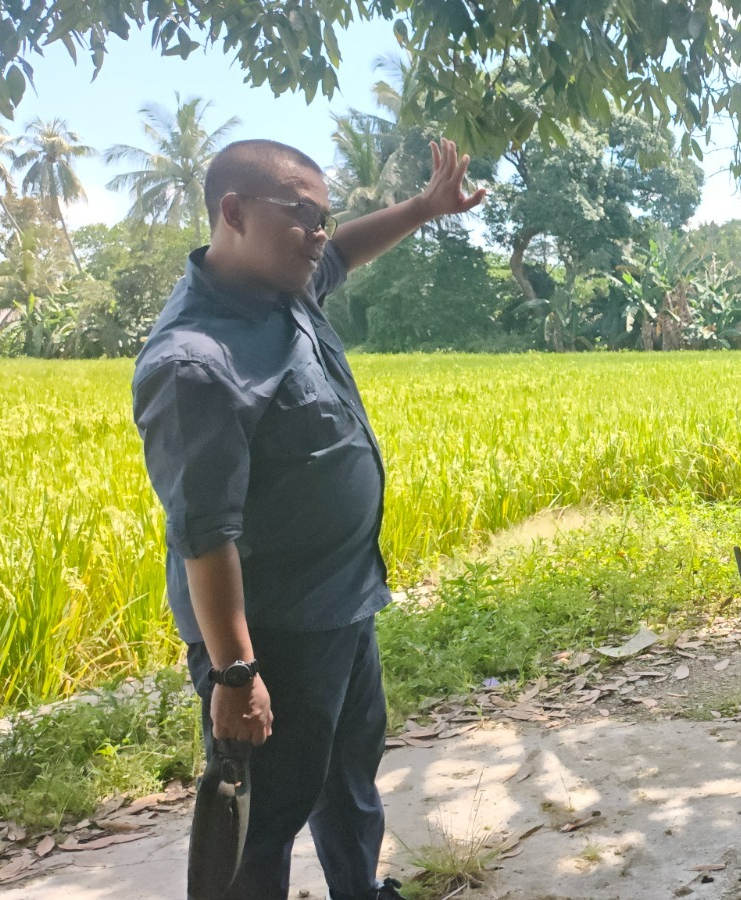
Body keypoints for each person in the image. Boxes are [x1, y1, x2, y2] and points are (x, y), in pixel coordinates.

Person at [133, 138, 485, 900]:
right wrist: (236, 673)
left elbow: (346, 252)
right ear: (233, 213)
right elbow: (205, 533)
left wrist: (424, 208)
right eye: (304, 216)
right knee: (263, 821)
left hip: (342, 603)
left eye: (324, 217)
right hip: (274, 636)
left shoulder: (282, 284)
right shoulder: (196, 362)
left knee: (348, 778)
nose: (321, 234)